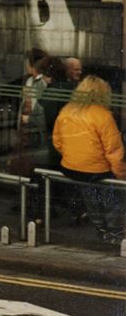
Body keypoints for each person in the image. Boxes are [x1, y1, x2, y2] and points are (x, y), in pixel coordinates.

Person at [52, 75, 126, 244]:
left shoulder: (67, 111)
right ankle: (114, 231)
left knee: (91, 196)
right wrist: (121, 174)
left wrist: (74, 156)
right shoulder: (103, 116)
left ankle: (100, 228)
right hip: (97, 169)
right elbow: (114, 151)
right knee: (111, 197)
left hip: (72, 167)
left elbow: (57, 141)